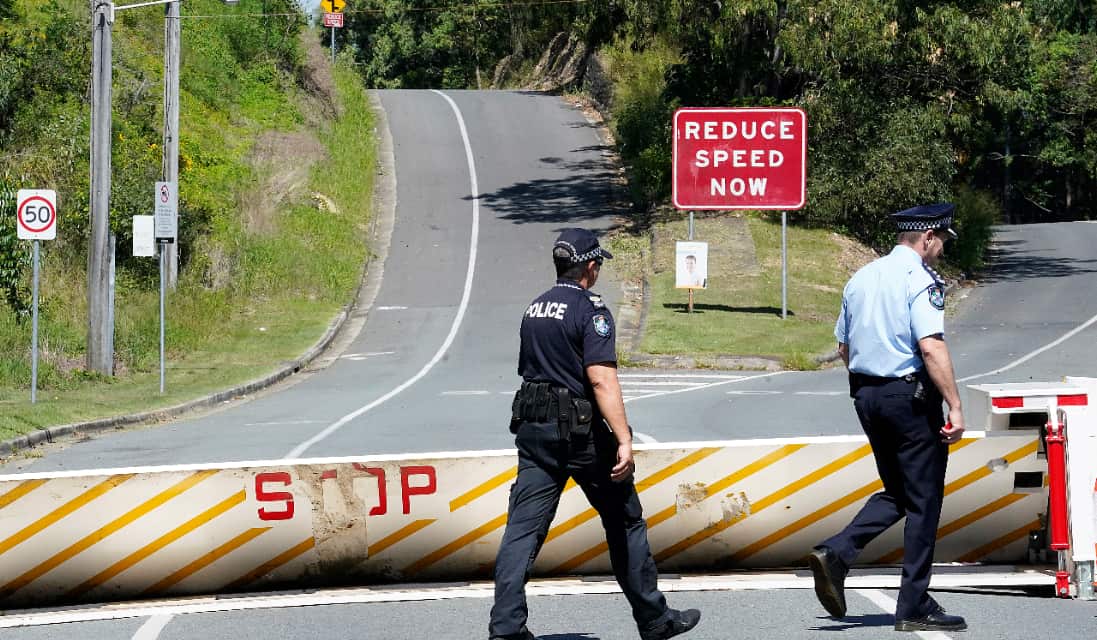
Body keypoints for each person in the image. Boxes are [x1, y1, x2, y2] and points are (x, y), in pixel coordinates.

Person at [489, 228, 701, 640]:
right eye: (598, 262)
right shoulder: (592, 310)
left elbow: (530, 369)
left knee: (522, 530)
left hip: (533, 431)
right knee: (625, 521)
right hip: (580, 435)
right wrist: (624, 438)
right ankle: (655, 620)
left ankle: (507, 628)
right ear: (590, 266)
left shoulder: (535, 308)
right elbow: (601, 380)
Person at [808, 203, 967, 633]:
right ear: (928, 236)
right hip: (909, 398)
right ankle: (912, 604)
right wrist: (954, 404)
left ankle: (838, 552)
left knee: (898, 490)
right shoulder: (920, 280)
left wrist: (871, 388)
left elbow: (843, 347)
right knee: (925, 500)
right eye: (941, 243)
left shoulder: (861, 277)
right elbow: (931, 346)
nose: (940, 252)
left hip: (867, 396)